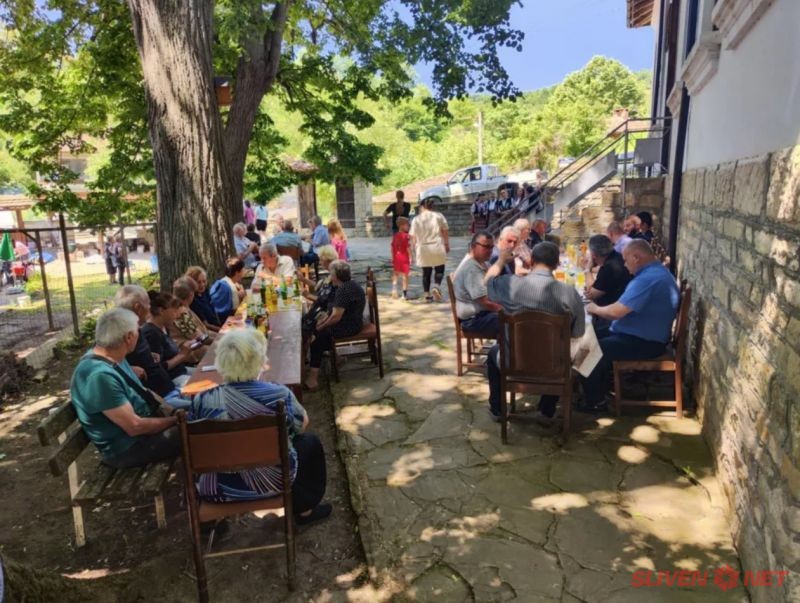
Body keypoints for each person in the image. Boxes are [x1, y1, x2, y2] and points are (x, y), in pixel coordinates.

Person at [189, 329, 331, 525]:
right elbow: (301, 425)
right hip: (273, 483)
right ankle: (305, 510)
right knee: (309, 442)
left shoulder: (202, 400)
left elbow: (194, 448)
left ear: (220, 362)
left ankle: (209, 524)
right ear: (260, 361)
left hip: (216, 488)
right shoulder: (278, 394)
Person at [484, 242, 586, 423]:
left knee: (493, 353)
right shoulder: (570, 293)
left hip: (514, 362)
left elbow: (487, 282)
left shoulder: (510, 284)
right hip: (554, 366)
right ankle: (547, 410)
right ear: (557, 264)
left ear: (531, 261)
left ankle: (497, 408)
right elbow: (578, 333)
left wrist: (500, 261)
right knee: (578, 352)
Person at [70, 307, 180, 469]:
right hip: (127, 450)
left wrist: (172, 411)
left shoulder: (112, 356)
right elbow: (135, 426)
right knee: (196, 432)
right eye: (137, 331)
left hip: (142, 434)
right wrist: (175, 420)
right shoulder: (99, 377)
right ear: (129, 337)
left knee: (198, 420)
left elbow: (145, 392)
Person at [581, 240, 680, 412]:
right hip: (639, 333)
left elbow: (616, 312)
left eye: (626, 260)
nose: (625, 265)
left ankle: (595, 402)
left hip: (645, 341)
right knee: (586, 338)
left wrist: (594, 308)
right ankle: (597, 387)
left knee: (588, 349)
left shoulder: (648, 279)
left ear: (636, 258)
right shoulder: (655, 272)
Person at [114, 285, 187, 402]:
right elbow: (104, 360)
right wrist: (128, 369)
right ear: (138, 308)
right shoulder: (123, 332)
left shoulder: (136, 328)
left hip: (170, 389)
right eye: (148, 304)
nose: (150, 308)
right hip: (160, 398)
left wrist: (149, 355)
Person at [305, 261, 365, 391]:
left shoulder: (343, 290)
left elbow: (335, 317)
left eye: (330, 274)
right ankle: (337, 358)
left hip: (350, 326)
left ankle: (313, 378)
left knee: (317, 337)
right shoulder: (349, 284)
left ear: (335, 276)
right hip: (352, 321)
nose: (329, 276)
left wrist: (321, 326)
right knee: (315, 327)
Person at [453, 231, 502, 338]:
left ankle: (507, 347)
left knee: (513, 318)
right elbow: (485, 302)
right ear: (473, 246)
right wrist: (504, 310)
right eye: (486, 246)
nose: (490, 250)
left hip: (481, 315)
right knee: (509, 321)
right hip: (471, 320)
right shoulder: (472, 269)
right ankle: (505, 348)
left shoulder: (484, 263)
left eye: (491, 247)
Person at [141, 291, 194, 391]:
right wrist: (182, 355)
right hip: (173, 379)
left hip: (181, 371)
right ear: (161, 311)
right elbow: (160, 368)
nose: (176, 315)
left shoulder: (164, 328)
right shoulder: (151, 333)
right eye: (174, 311)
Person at [582, 235, 631, 338]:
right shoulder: (617, 256)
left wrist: (587, 270)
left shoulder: (609, 267)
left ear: (593, 254)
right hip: (620, 309)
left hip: (611, 316)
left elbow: (591, 294)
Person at [409, 197, 449, 302]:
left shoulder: (416, 219)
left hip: (423, 248)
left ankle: (427, 295)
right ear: (432, 206)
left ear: (422, 206)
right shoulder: (439, 216)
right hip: (437, 245)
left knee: (426, 272)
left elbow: (413, 236)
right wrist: (446, 243)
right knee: (440, 269)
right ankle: (436, 286)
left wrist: (413, 248)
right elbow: (445, 231)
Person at [170, 277, 213, 364]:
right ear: (190, 294)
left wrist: (220, 336)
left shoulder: (184, 308)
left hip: (196, 347)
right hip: (190, 352)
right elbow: (199, 337)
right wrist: (220, 339)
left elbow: (203, 332)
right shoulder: (181, 313)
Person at [185, 266, 222, 330]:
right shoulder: (193, 300)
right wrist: (222, 330)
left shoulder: (205, 292)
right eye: (198, 282)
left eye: (204, 281)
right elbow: (205, 325)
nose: (202, 285)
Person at [391, 216, 412, 300]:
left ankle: (394, 290)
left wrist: (393, 257)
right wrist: (411, 256)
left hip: (396, 257)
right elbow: (408, 247)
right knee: (405, 276)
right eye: (407, 225)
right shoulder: (406, 236)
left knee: (396, 274)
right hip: (404, 258)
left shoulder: (395, 235)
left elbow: (392, 247)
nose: (408, 226)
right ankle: (404, 294)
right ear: (402, 226)